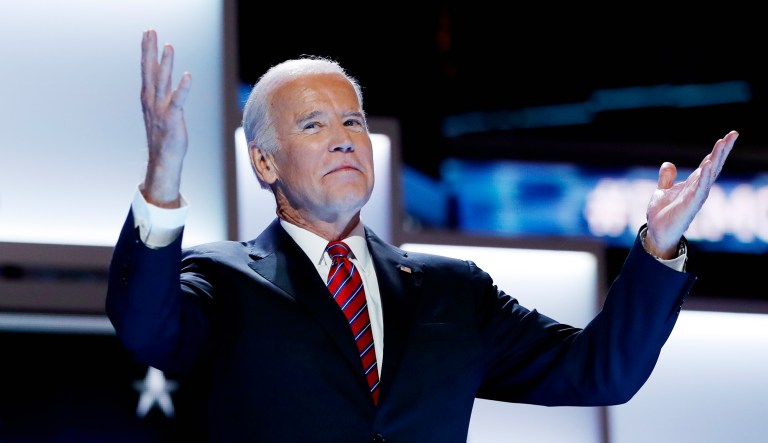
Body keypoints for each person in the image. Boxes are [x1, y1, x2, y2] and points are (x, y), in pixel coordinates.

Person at [106, 29, 738, 443]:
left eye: (352, 119)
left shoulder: (453, 292)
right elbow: (144, 327)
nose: (343, 137)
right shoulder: (223, 280)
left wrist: (658, 247)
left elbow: (601, 372)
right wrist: (162, 178)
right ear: (264, 163)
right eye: (312, 124)